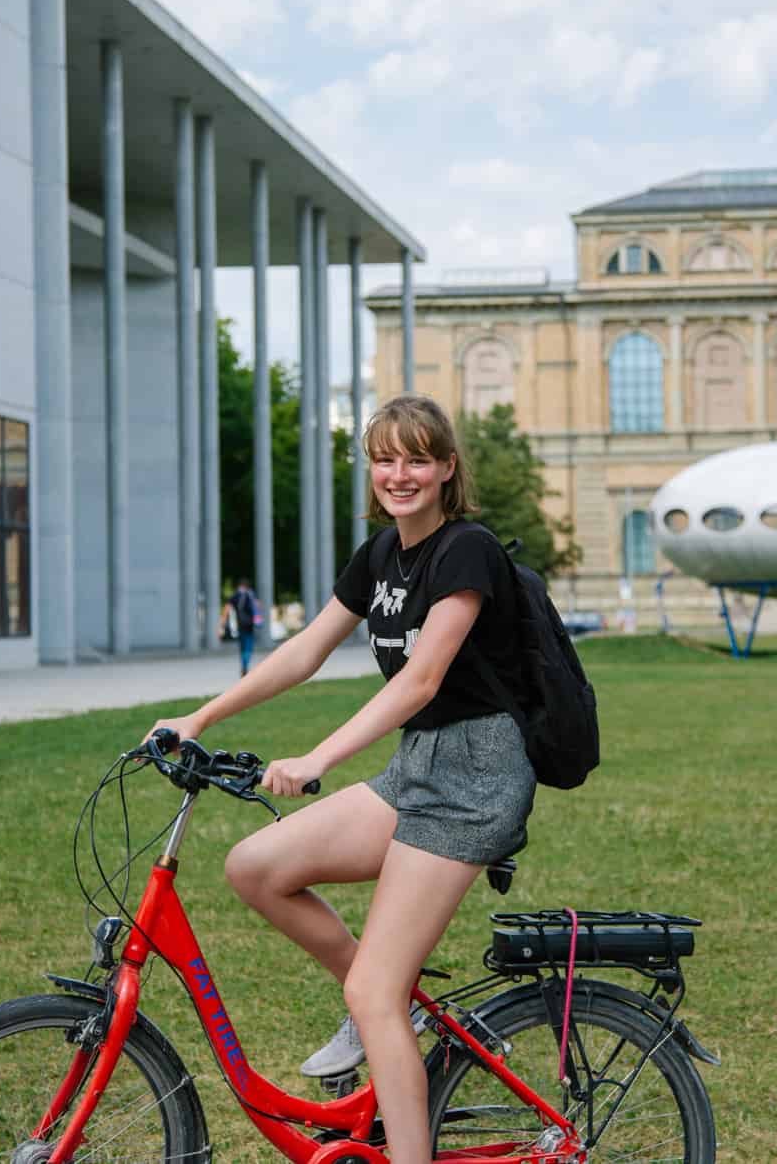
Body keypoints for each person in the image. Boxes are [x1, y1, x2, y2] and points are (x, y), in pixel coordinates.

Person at [145, 394, 532, 1164]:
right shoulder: (382, 555)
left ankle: (386, 1033)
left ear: (448, 468)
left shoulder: (468, 551)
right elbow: (304, 651)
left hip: (475, 780)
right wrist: (200, 717)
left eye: (418, 458)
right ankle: (388, 1005)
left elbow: (420, 681)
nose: (400, 473)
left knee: (372, 993)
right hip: (416, 771)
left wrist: (319, 758)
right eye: (385, 458)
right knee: (256, 865)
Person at [227, 577, 261, 675]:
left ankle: (244, 665)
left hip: (240, 625)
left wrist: (221, 625)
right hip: (250, 625)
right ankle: (245, 665)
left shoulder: (236, 596)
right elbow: (258, 607)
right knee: (249, 647)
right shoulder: (251, 595)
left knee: (242, 648)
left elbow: (227, 609)